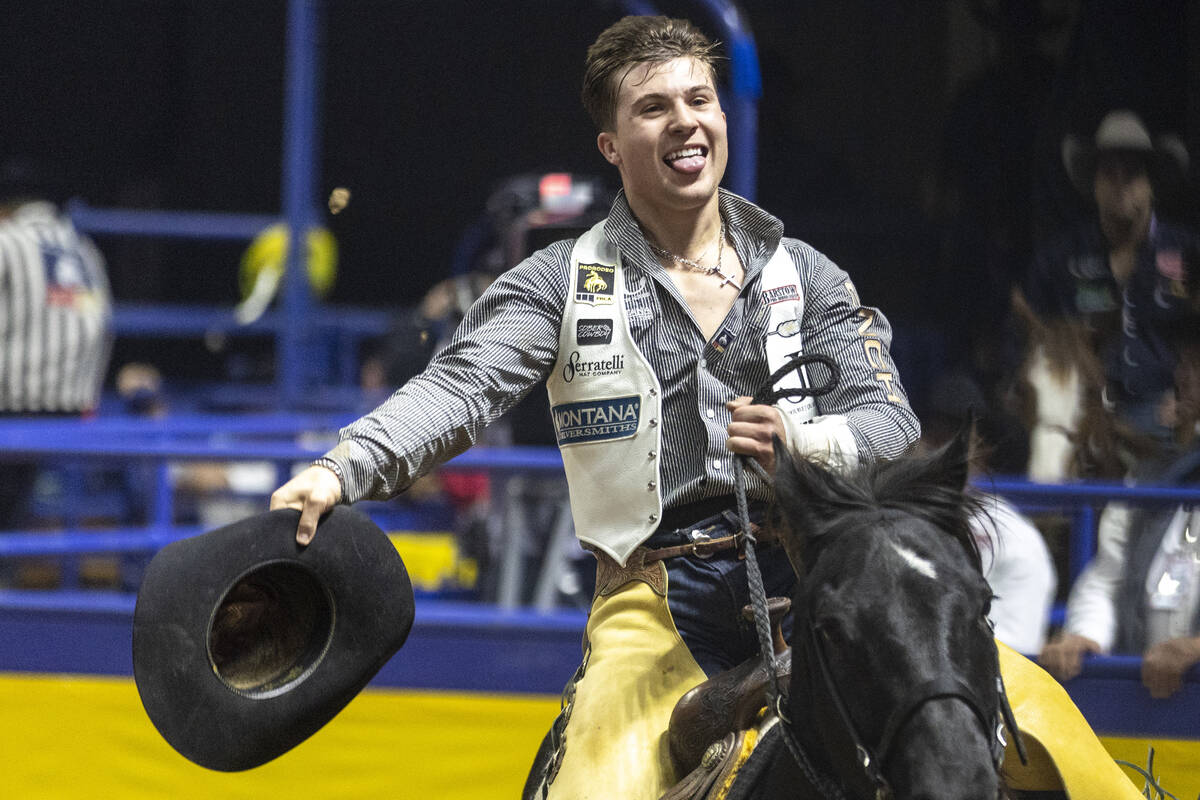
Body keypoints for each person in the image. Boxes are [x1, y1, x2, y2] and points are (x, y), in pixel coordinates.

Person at [271, 15, 918, 797]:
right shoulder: (559, 282)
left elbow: (894, 427)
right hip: (657, 603)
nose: (685, 121)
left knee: (1000, 726)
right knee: (592, 787)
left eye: (700, 99)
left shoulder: (807, 273)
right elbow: (454, 390)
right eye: (653, 107)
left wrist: (804, 441)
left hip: (827, 583)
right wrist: (339, 469)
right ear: (610, 146)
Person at [1023, 109, 1200, 442]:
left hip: (1170, 420)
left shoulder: (1188, 253)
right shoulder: (1059, 261)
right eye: (1109, 174)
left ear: (1152, 185)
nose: (1120, 186)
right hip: (1080, 422)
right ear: (1094, 184)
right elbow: (1026, 340)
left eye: (1131, 174)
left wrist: (1194, 399)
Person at [1040, 335, 1200, 699]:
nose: (1184, 376)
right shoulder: (1149, 481)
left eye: (1197, 366)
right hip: (1145, 700)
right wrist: (1085, 635)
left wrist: (1195, 648)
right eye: (1186, 364)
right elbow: (1107, 577)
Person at [0, 157, 112, 532]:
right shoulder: (84, 250)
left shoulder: (6, 241)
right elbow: (105, 326)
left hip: (11, 409)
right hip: (75, 409)